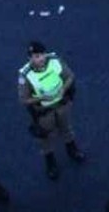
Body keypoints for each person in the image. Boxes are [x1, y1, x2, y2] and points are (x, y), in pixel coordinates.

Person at [17, 40, 86, 180]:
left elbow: (70, 76)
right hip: (44, 112)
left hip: (62, 104)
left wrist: (63, 90)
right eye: (36, 56)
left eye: (42, 54)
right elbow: (23, 99)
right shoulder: (25, 75)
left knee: (66, 128)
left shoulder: (55, 61)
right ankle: (50, 161)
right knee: (45, 137)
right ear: (29, 58)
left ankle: (72, 149)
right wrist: (41, 97)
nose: (41, 58)